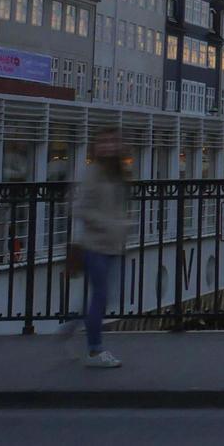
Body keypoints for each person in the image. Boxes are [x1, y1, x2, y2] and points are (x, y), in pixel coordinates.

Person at [70, 131, 131, 368]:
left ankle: (72, 326)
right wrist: (110, 224)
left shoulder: (117, 173)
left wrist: (122, 223)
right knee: (101, 295)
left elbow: (115, 206)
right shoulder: (92, 173)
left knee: (108, 296)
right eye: (103, 142)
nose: (107, 146)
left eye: (112, 141)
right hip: (95, 244)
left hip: (113, 244)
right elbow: (80, 207)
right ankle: (95, 351)